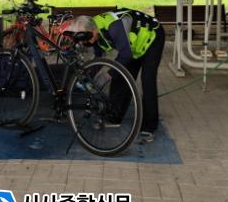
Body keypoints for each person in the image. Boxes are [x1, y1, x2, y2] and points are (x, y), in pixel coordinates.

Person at [69, 8, 164, 143]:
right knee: (121, 79)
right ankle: (114, 117)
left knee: (147, 82)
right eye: (83, 41)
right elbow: (99, 56)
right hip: (133, 45)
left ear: (94, 31)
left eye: (87, 39)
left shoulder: (113, 27)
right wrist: (88, 76)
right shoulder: (91, 28)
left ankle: (149, 126)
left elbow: (125, 55)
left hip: (152, 36)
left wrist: (105, 76)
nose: (86, 43)